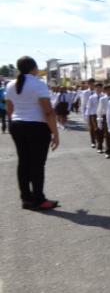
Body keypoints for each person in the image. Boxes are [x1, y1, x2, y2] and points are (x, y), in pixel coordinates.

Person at [5, 56, 59, 210]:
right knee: (37, 164)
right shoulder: (39, 85)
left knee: (23, 162)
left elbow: (9, 110)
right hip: (36, 127)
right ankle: (39, 199)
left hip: (16, 125)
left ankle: (26, 199)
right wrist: (55, 133)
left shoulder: (10, 85)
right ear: (34, 68)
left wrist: (16, 122)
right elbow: (48, 112)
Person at [85, 83, 103, 153]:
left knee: (101, 130)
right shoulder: (91, 97)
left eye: (100, 88)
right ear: (95, 89)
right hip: (93, 114)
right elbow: (88, 107)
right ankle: (95, 142)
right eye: (97, 88)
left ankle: (99, 143)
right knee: (95, 129)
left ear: (102, 88)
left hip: (101, 115)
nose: (98, 89)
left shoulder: (103, 96)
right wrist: (87, 116)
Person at [96, 84, 110, 154]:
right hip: (105, 117)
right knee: (103, 133)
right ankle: (100, 147)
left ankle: (109, 148)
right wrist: (99, 120)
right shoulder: (102, 99)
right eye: (108, 90)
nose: (109, 91)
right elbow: (99, 110)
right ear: (105, 91)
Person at [81, 78, 96, 148]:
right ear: (88, 84)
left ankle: (98, 141)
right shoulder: (85, 93)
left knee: (98, 128)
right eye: (89, 83)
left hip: (97, 112)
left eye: (92, 83)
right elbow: (83, 104)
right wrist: (84, 115)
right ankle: (93, 141)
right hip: (89, 112)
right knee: (91, 128)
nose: (91, 85)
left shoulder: (98, 91)